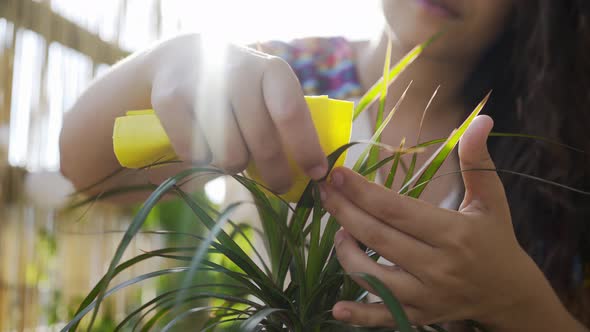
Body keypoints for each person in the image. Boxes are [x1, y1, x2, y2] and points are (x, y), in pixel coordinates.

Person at [59, 0, 590, 330]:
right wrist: (172, 58)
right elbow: (90, 171)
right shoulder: (283, 76)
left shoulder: (553, 159)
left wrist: (519, 303)